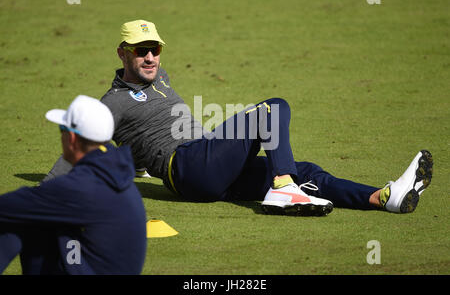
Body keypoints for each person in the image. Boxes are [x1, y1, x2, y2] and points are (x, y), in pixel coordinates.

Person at [44, 20, 433, 216]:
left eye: (155, 48)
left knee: (305, 170)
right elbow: (78, 148)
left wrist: (138, 160)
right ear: (122, 53)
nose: (150, 57)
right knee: (272, 109)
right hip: (189, 168)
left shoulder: (158, 76)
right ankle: (282, 187)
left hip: (209, 166)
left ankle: (384, 198)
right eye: (140, 50)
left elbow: (141, 137)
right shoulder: (111, 102)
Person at [0, 95, 147, 274]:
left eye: (61, 129)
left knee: (20, 220)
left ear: (71, 138)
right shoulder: (118, 175)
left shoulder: (79, 187)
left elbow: (8, 206)